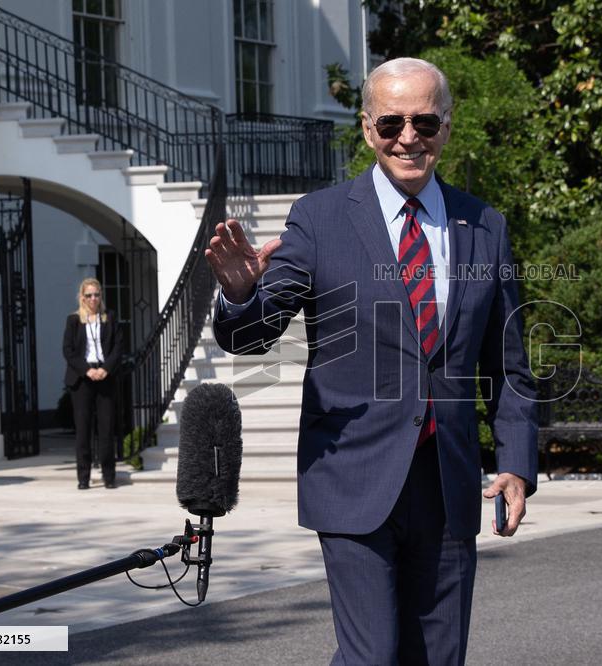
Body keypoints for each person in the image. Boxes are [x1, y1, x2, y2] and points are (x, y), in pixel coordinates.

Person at [205, 57, 537, 664]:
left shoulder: (485, 225)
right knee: (373, 656)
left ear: (446, 126)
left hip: (447, 482)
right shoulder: (320, 218)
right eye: (391, 123)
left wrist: (516, 461)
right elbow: (252, 337)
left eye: (424, 123)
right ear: (366, 128)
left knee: (437, 657)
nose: (407, 137)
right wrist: (240, 294)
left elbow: (510, 363)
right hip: (352, 475)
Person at [63, 277, 122, 490]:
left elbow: (117, 347)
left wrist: (105, 369)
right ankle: (83, 477)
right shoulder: (73, 320)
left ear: (101, 296)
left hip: (105, 376)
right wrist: (87, 370)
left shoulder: (110, 318)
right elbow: (68, 350)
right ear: (82, 297)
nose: (93, 299)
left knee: (106, 429)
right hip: (82, 379)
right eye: (89, 295)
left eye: (96, 294)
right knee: (83, 430)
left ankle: (109, 476)